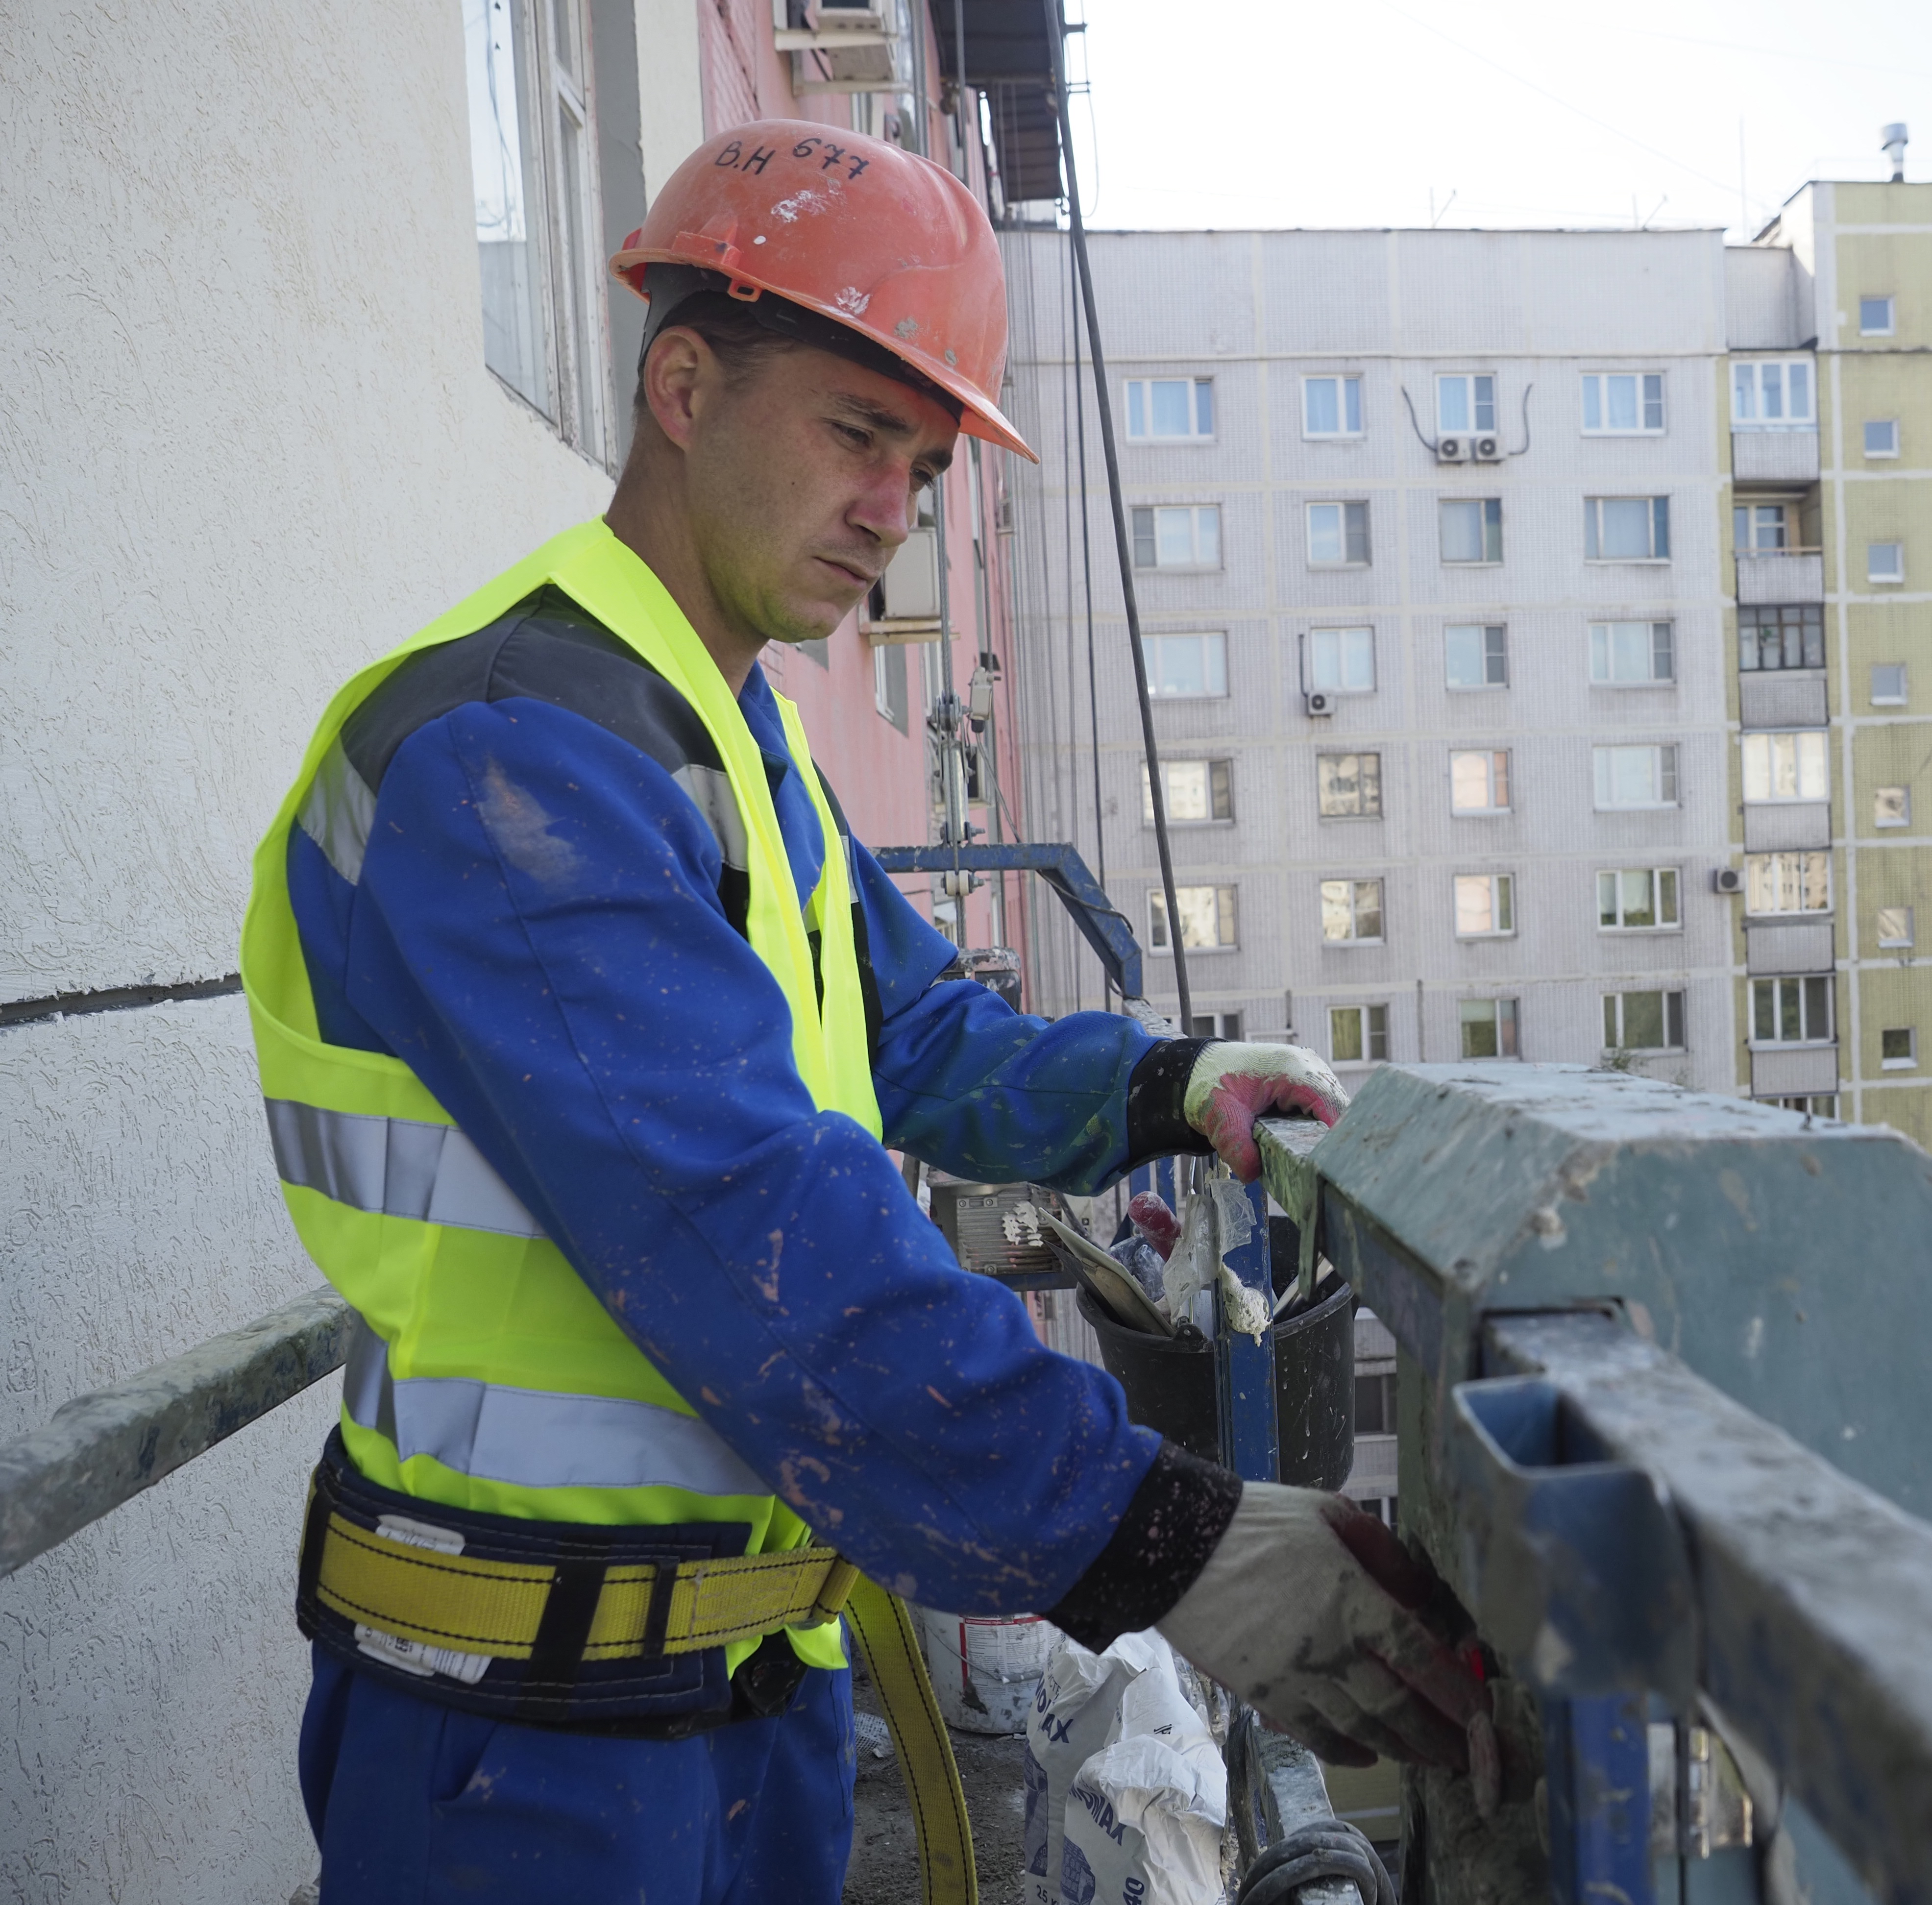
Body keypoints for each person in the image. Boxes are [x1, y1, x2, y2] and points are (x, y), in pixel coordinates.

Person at [240, 122, 1482, 1904]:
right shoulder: (505, 761)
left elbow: (915, 1040)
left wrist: (1167, 1082)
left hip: (751, 1684)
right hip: (523, 1734)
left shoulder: (732, 742)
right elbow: (755, 1231)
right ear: (684, 385)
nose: (897, 511)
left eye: (921, 461)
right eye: (854, 434)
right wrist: (1164, 1540)